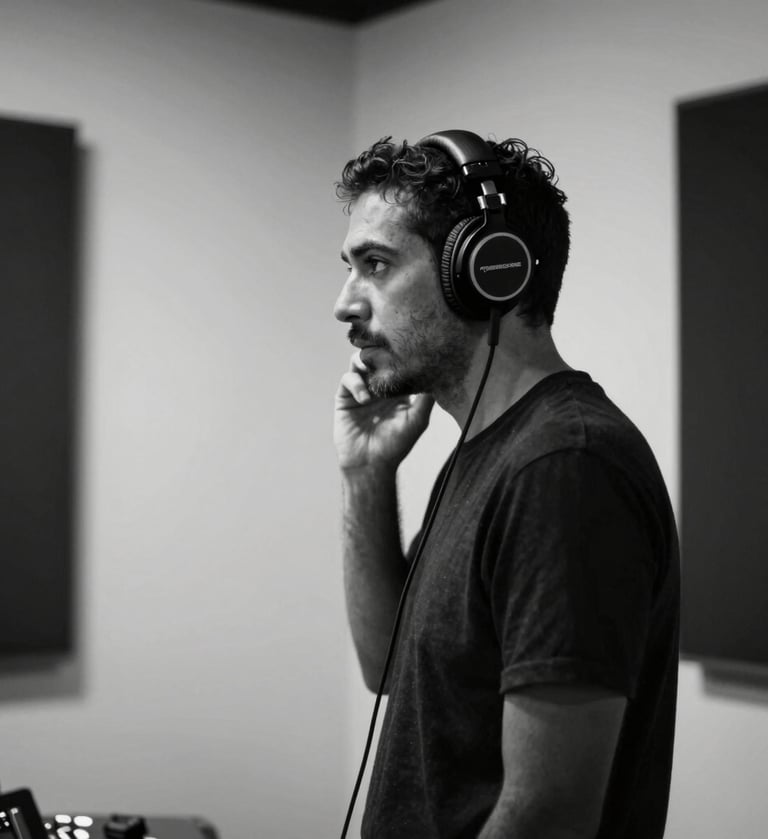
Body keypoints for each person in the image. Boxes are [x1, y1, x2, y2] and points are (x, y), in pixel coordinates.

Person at [332, 130, 679, 839]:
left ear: (487, 270)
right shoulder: (490, 453)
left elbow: (547, 814)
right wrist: (367, 473)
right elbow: (388, 667)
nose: (345, 303)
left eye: (375, 264)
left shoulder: (566, 466)